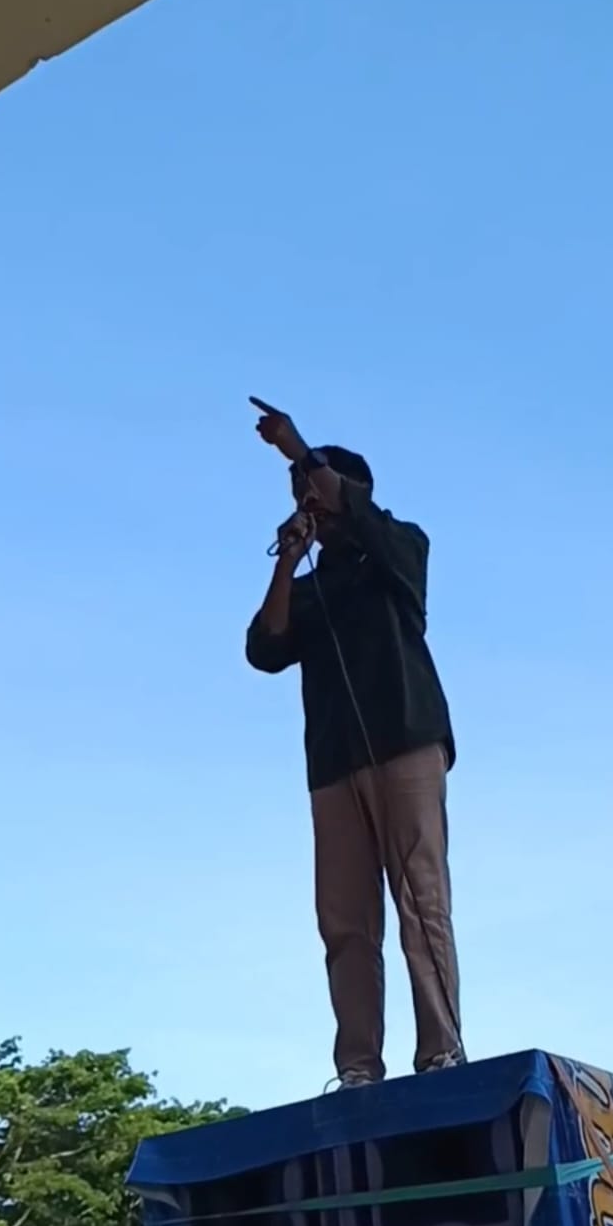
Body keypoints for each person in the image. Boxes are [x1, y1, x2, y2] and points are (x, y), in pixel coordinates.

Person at [244, 396, 465, 1087]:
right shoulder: (313, 590)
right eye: (298, 496)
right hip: (333, 764)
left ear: (351, 492)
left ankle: (440, 1054)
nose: (307, 502)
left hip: (406, 741)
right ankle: (358, 1068)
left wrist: (297, 448)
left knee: (420, 901)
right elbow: (263, 649)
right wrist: (286, 561)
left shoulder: (399, 549)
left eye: (315, 491)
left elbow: (359, 512)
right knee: (344, 922)